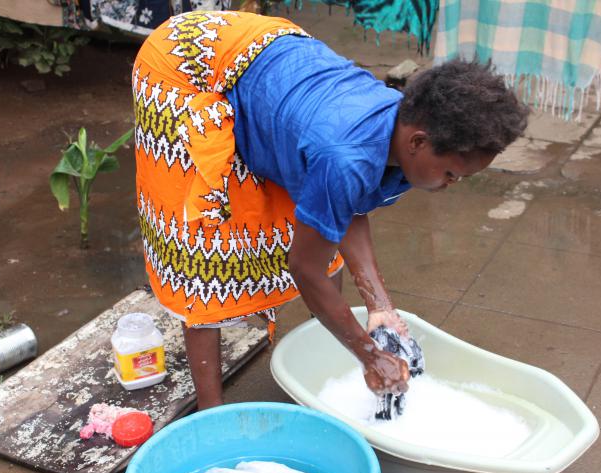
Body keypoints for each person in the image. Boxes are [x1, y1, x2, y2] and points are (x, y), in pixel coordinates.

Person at [132, 10, 529, 409]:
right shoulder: (346, 154)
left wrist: (380, 307)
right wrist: (371, 354)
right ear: (418, 143)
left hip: (259, 52)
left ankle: (319, 370)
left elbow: (347, 202)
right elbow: (304, 267)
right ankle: (211, 413)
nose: (449, 186)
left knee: (320, 236)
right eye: (450, 175)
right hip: (184, 67)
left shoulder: (401, 120)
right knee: (209, 247)